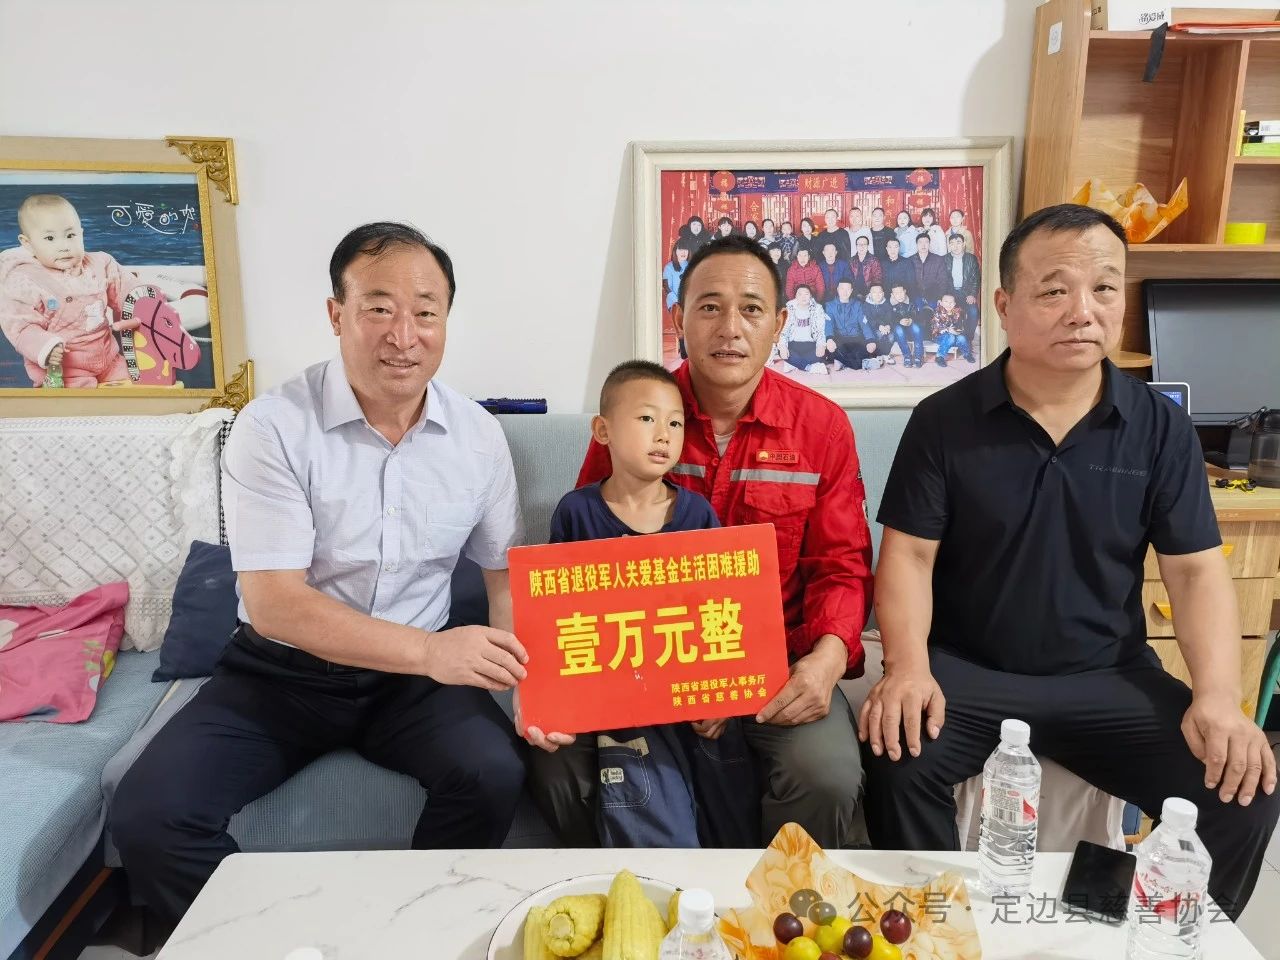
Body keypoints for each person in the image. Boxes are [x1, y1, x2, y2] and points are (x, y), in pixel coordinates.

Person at [859, 203, 1279, 921]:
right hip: (969, 673)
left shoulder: (1160, 427)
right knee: (898, 758)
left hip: (1107, 676)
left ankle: (1143, 931)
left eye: (1105, 288)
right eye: (1055, 290)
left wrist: (1215, 695)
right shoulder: (943, 421)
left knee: (1243, 793)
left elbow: (1194, 571)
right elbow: (909, 558)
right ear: (1005, 307)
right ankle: (946, 930)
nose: (1083, 310)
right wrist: (907, 668)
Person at [110, 222, 530, 926]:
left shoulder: (479, 437)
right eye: (379, 308)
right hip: (283, 674)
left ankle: (419, 935)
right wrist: (432, 651)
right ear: (337, 314)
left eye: (426, 312)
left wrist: (532, 694)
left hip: (415, 687)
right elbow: (276, 604)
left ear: (445, 321)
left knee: (494, 773)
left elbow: (503, 576)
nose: (404, 334)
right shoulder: (274, 426)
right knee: (150, 814)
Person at [574, 233, 874, 849]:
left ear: (780, 324)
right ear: (679, 320)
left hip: (776, 667)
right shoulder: (635, 415)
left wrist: (827, 660)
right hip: (650, 661)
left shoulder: (821, 429)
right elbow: (588, 555)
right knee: (555, 764)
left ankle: (775, 899)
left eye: (751, 309)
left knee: (827, 775)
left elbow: (841, 567)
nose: (730, 328)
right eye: (709, 307)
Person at [528, 361, 760, 848]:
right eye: (647, 418)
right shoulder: (577, 511)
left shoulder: (697, 514)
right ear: (603, 431)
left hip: (683, 692)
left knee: (721, 779)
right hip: (607, 689)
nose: (664, 435)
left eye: (675, 422)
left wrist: (721, 698)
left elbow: (724, 615)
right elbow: (555, 618)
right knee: (574, 764)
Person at [0, 194, 145, 387]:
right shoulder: (24, 280)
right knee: (79, 399)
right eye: (50, 238)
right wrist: (45, 347)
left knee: (138, 380)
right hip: (65, 369)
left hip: (108, 358)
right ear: (28, 243)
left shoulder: (100, 264)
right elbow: (21, 326)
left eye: (70, 235)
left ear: (81, 234)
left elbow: (127, 290)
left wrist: (147, 305)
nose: (64, 246)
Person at [778, 284, 830, 375]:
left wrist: (821, 345)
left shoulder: (817, 309)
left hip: (811, 344)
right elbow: (784, 331)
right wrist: (782, 346)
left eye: (806, 294)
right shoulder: (789, 309)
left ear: (811, 296)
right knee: (781, 351)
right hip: (794, 344)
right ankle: (810, 367)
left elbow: (821, 330)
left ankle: (793, 364)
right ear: (795, 296)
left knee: (823, 353)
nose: (803, 297)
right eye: (800, 294)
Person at [944, 232, 981, 345]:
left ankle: (967, 338)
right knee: (951, 313)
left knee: (973, 312)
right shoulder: (945, 259)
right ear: (949, 245)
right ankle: (954, 338)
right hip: (950, 293)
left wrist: (972, 294)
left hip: (966, 293)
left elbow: (976, 278)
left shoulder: (971, 258)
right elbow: (942, 280)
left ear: (964, 244)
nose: (955, 246)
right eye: (952, 243)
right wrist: (945, 296)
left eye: (958, 242)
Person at [824, 279, 868, 372]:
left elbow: (864, 323)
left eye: (848, 289)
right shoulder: (830, 305)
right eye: (842, 288)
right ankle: (840, 358)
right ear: (837, 289)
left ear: (851, 290)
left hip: (855, 337)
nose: (845, 292)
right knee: (834, 349)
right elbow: (828, 324)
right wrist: (829, 338)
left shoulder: (858, 304)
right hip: (839, 339)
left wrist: (870, 339)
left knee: (860, 360)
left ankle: (840, 360)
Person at [929, 292, 973, 366]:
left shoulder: (957, 312)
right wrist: (948, 330)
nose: (948, 304)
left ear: (954, 304)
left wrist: (957, 331)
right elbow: (936, 327)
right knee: (950, 337)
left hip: (954, 335)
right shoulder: (937, 312)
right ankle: (940, 357)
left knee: (961, 338)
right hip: (939, 336)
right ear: (941, 303)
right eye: (946, 302)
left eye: (951, 302)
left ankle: (967, 354)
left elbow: (960, 326)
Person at [889, 283, 924, 368]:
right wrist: (899, 321)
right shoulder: (889, 304)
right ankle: (907, 356)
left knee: (917, 329)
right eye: (896, 293)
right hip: (898, 326)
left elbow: (918, 315)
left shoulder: (911, 301)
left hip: (910, 325)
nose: (899, 295)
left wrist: (911, 319)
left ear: (905, 291)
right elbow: (889, 319)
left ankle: (918, 355)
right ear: (892, 294)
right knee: (899, 331)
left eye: (901, 292)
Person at [861, 283, 896, 366]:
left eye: (880, 292)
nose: (877, 295)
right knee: (879, 335)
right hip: (872, 328)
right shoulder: (866, 305)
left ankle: (886, 354)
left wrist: (888, 326)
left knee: (891, 336)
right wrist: (879, 326)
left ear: (883, 293)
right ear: (870, 294)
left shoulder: (887, 304)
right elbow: (868, 319)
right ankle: (878, 355)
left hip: (885, 327)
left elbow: (890, 317)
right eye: (874, 292)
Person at [910, 232, 949, 306]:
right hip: (916, 296)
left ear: (929, 244)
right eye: (920, 242)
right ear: (916, 244)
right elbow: (909, 281)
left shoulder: (938, 259)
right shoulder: (911, 260)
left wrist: (940, 297)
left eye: (926, 242)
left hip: (934, 295)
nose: (923, 245)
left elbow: (943, 280)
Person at [880, 236, 915, 302]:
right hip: (886, 298)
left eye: (895, 247)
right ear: (886, 248)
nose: (892, 250)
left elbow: (911, 283)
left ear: (899, 248)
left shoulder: (907, 262)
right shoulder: (882, 263)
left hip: (903, 297)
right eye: (890, 247)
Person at [849, 235, 884, 300]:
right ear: (856, 246)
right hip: (854, 293)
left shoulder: (874, 260)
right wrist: (855, 293)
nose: (862, 246)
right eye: (859, 244)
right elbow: (849, 278)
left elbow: (877, 278)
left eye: (864, 244)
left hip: (869, 294)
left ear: (868, 246)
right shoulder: (852, 260)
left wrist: (870, 293)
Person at [663, 241, 692, 312]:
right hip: (674, 303)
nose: (683, 252)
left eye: (685, 250)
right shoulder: (669, 267)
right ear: (675, 251)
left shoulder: (691, 266)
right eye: (680, 249)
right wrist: (678, 302)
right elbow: (666, 287)